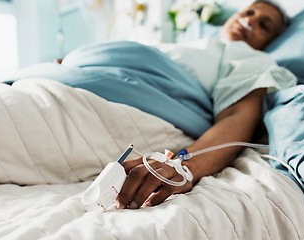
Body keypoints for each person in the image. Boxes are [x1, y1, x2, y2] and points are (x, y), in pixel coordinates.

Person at [115, 0, 294, 209]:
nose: (249, 21)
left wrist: (183, 167)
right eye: (248, 12)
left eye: (264, 25)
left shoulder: (252, 59)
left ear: (270, 41)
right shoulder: (194, 45)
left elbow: (238, 115)